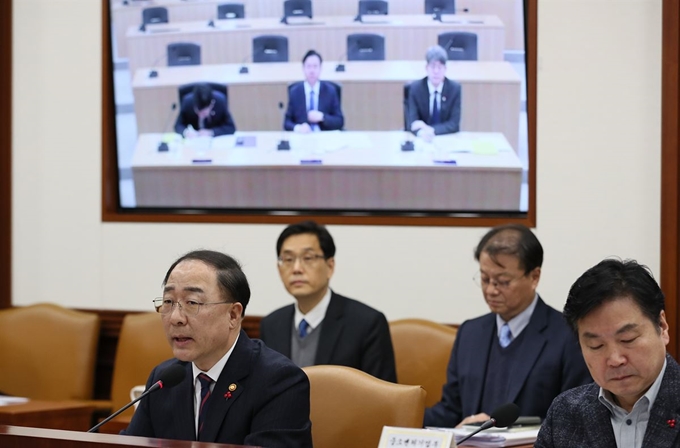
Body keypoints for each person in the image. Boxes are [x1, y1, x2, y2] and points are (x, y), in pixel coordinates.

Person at [122, 250, 312, 447]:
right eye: (169, 302)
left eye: (192, 303)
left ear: (233, 315)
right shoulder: (164, 380)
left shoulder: (279, 381)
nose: (175, 318)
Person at [424, 224, 591, 428]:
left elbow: (572, 419)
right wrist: (402, 414)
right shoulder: (470, 333)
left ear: (534, 277)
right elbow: (450, 411)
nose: (491, 290)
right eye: (485, 279)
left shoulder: (568, 336)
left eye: (502, 281)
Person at [535, 259, 679, 447]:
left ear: (662, 326)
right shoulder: (565, 413)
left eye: (627, 339)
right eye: (596, 345)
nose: (615, 360)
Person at [259, 220, 397, 382]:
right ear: (279, 268)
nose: (296, 268)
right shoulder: (272, 324)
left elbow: (383, 398)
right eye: (288, 259)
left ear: (330, 266)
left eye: (308, 258)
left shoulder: (367, 323)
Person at [406, 45, 461, 142]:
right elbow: (412, 122)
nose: (436, 71)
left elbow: (454, 124)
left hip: (446, 139)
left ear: (445, 69)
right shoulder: (415, 88)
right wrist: (422, 133)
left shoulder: (454, 89)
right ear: (426, 68)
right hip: (422, 139)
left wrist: (429, 130)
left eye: (440, 67)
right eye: (433, 66)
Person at [284, 50, 344, 133]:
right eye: (308, 66)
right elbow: (286, 123)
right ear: (303, 68)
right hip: (303, 138)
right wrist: (298, 128)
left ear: (320, 68)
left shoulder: (330, 91)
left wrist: (322, 117)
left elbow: (340, 121)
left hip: (324, 138)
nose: (312, 71)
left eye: (315, 66)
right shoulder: (295, 92)